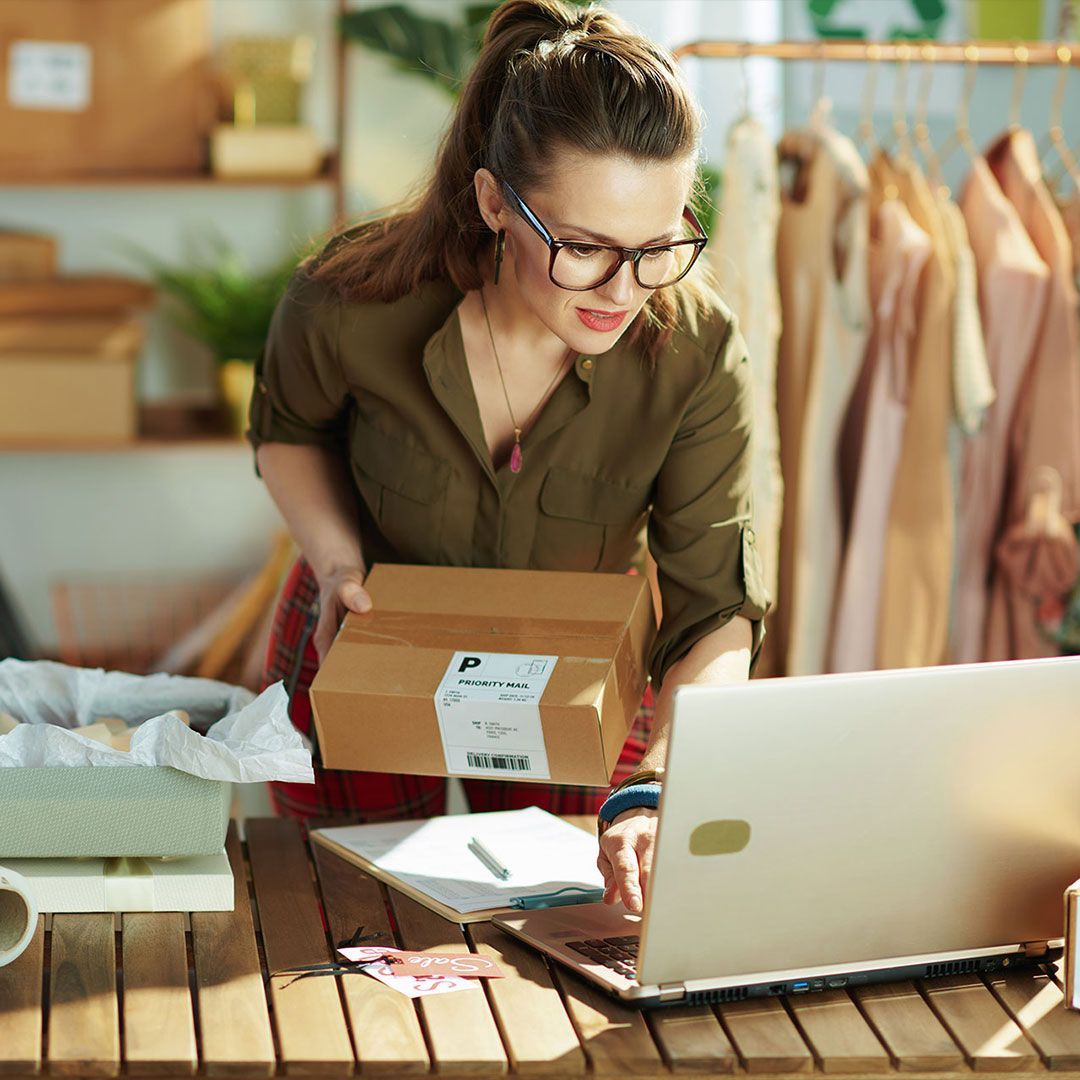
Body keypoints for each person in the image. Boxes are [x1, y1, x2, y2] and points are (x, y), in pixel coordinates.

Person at [249, 0, 769, 914]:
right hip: (361, 633)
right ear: (495, 200)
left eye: (658, 247)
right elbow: (289, 432)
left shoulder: (697, 350)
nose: (623, 291)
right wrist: (335, 563)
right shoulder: (350, 298)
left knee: (564, 929)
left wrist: (659, 780)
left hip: (574, 674)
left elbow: (715, 606)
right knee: (333, 920)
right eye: (583, 248)